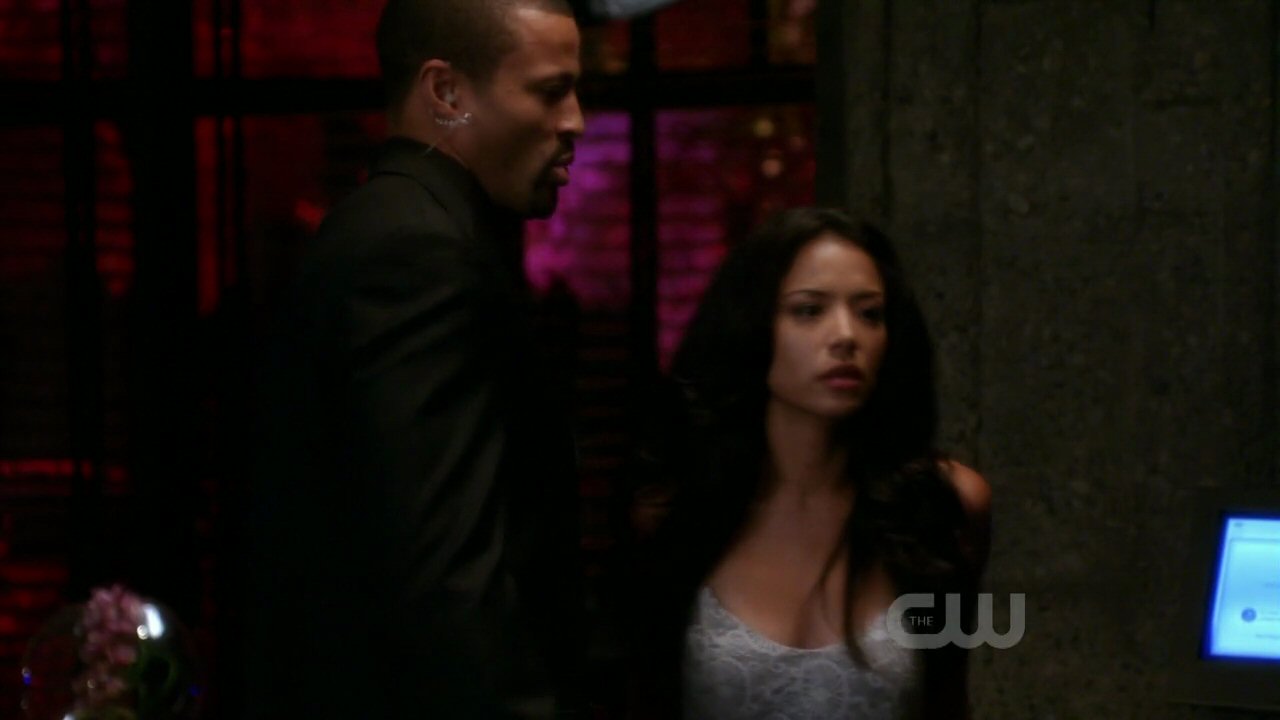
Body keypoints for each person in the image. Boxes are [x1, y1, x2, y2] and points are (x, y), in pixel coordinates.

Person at [239, 1, 586, 718]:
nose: (575, 121)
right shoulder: (418, 252)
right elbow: (446, 574)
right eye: (551, 91)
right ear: (447, 93)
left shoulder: (402, 228)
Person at [627, 207, 992, 719]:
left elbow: (949, 701)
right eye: (809, 310)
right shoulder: (675, 512)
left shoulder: (943, 508)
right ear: (754, 325)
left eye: (869, 314)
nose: (846, 335)